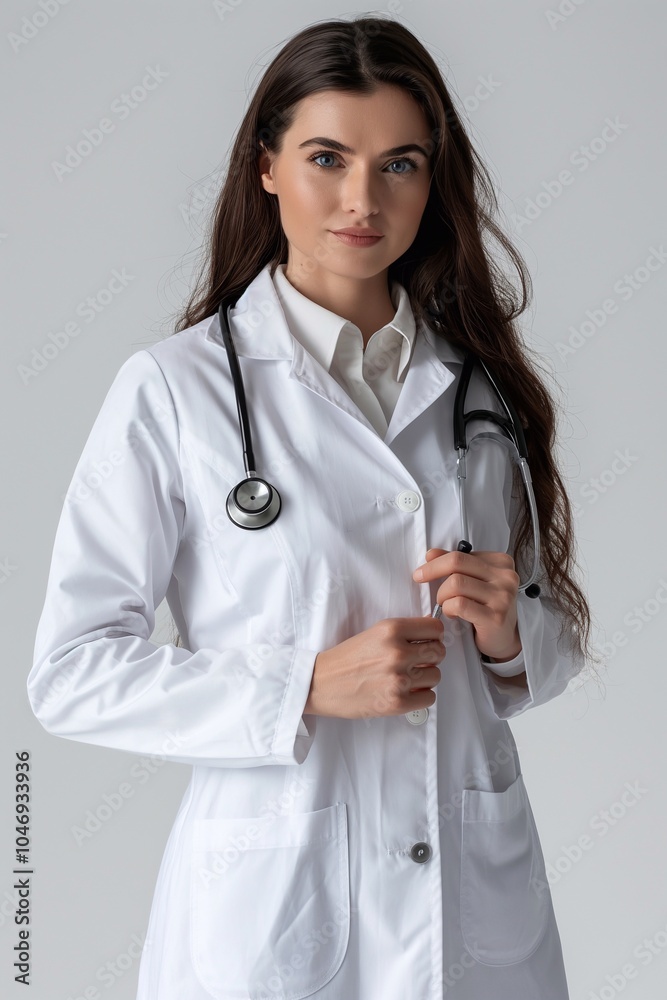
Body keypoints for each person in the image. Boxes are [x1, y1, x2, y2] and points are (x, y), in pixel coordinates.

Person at [27, 15, 601, 1000]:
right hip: (272, 912)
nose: (361, 199)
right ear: (265, 166)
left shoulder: (482, 390)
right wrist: (296, 685)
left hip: (472, 910)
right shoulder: (176, 389)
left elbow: (545, 658)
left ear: (434, 179)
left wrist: (511, 636)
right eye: (326, 157)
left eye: (399, 164)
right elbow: (70, 673)